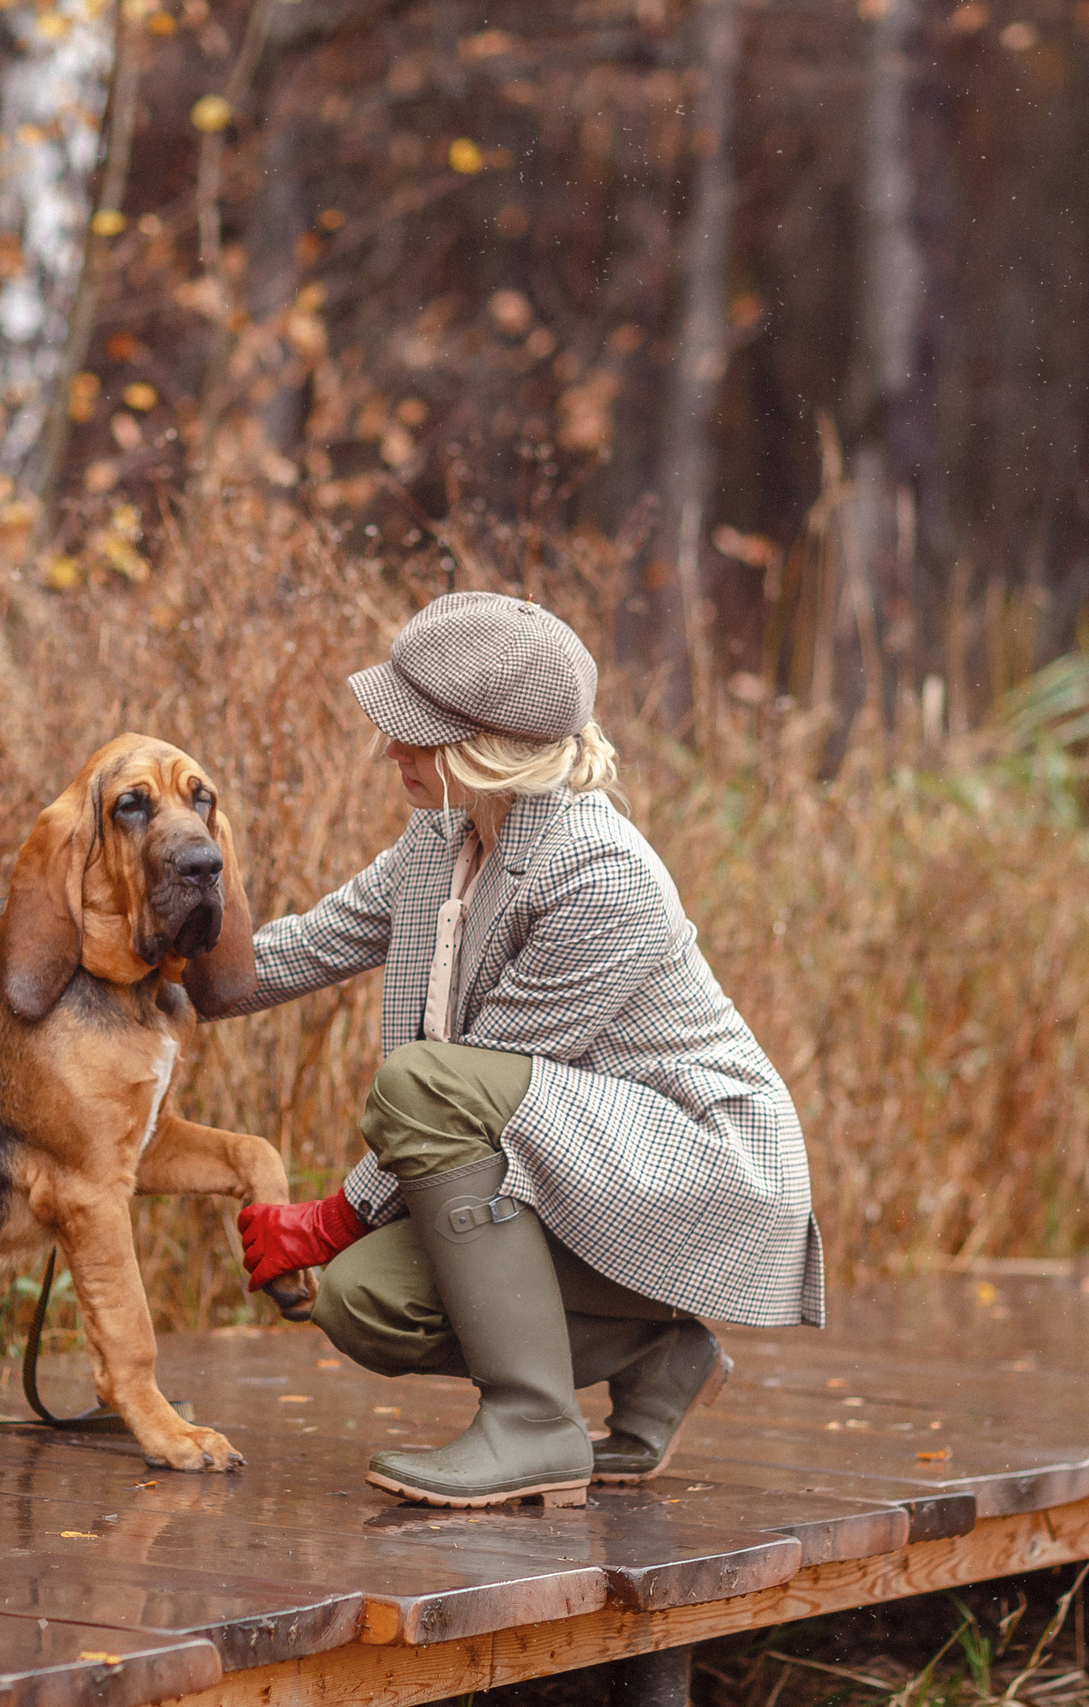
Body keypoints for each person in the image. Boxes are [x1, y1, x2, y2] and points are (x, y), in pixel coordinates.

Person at [226, 591, 824, 1509]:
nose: (389, 749)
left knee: (421, 1084)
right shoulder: (444, 838)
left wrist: (335, 1216)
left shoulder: (601, 874)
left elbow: (463, 1094)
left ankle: (534, 1423)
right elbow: (306, 946)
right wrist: (141, 969)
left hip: (695, 1163)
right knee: (365, 1303)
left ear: (486, 748)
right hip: (569, 1166)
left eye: (413, 732)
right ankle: (661, 1358)